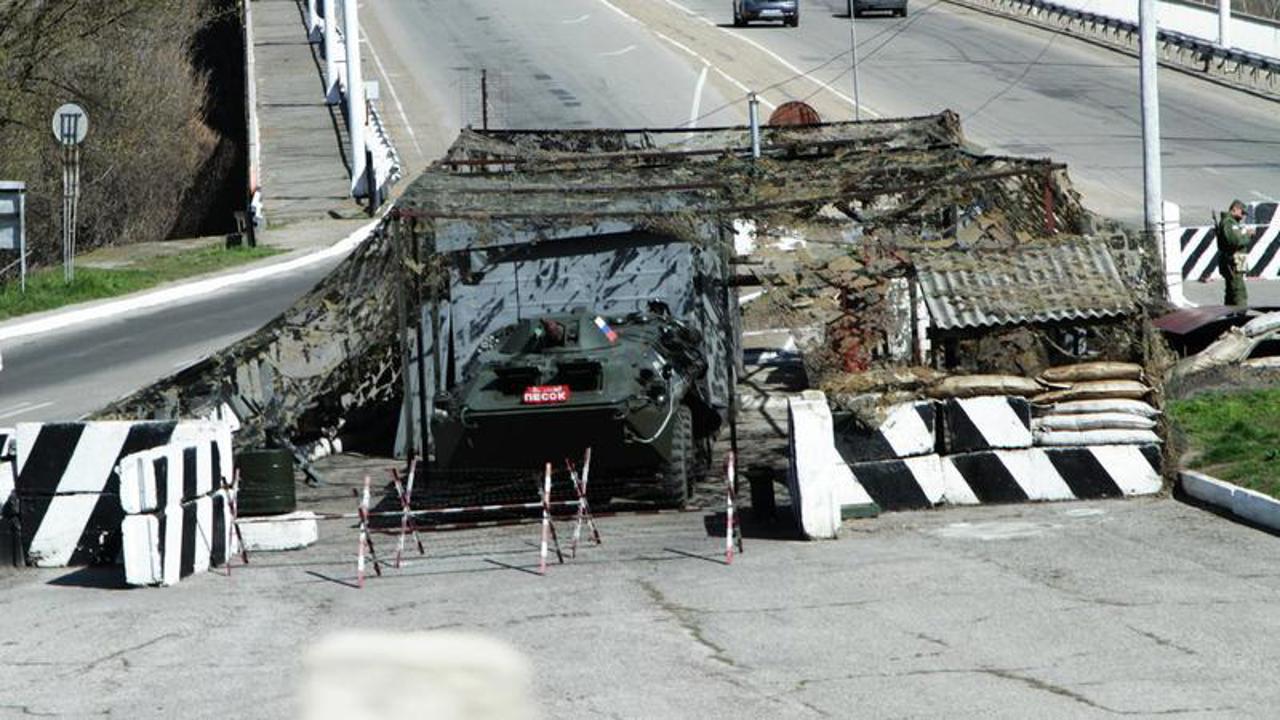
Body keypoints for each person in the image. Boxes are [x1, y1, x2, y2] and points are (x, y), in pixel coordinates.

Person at [1216, 199, 1255, 306]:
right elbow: (1235, 241)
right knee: (1239, 292)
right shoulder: (1229, 222)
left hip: (1236, 261)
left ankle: (1229, 315)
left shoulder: (1232, 223)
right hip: (1233, 262)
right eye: (1242, 213)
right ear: (1235, 209)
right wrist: (1248, 235)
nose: (1243, 216)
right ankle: (1240, 316)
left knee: (1231, 292)